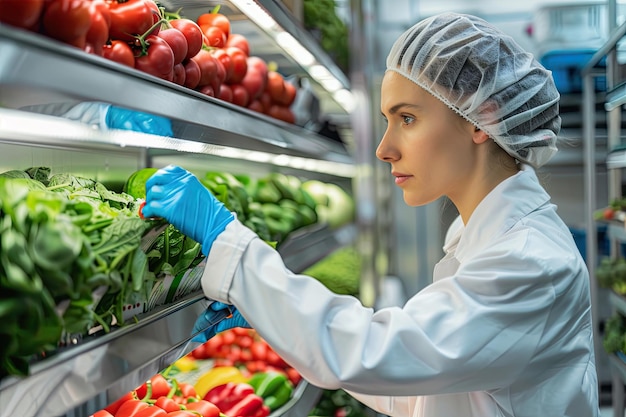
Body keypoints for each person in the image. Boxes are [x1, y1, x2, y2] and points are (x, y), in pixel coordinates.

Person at [142, 12, 599, 417]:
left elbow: (380, 352)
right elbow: (418, 385)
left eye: (407, 118)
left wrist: (233, 250)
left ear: (482, 118)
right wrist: (270, 313)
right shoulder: (487, 238)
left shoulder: (530, 262)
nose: (384, 149)